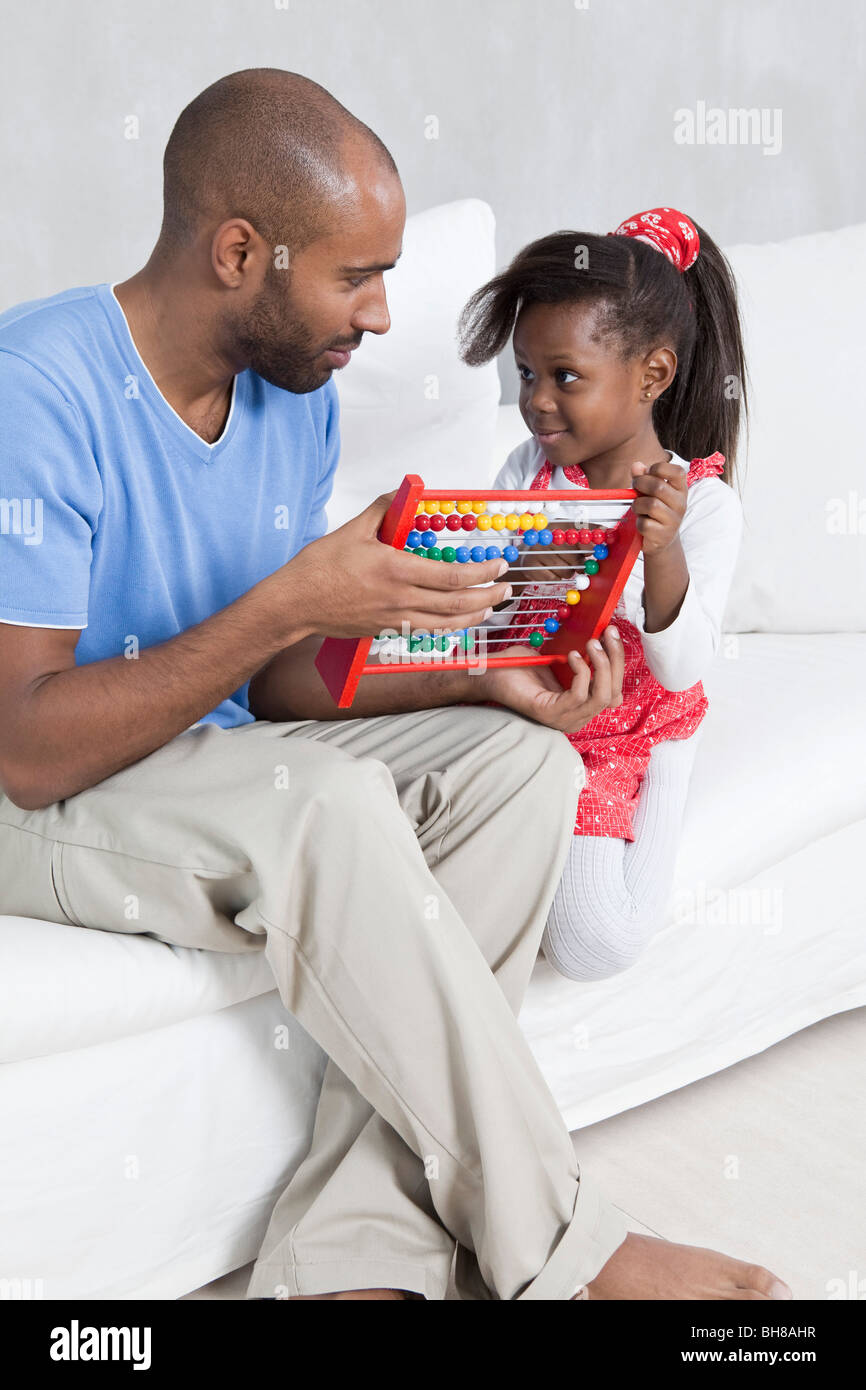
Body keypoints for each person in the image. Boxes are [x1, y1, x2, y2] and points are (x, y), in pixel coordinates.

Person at [0, 69, 790, 1301]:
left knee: (523, 771)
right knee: (326, 807)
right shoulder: (36, 388)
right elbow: (30, 747)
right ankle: (569, 1249)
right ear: (239, 252)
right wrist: (293, 597)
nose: (377, 315)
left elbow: (267, 689)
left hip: (200, 759)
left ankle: (346, 1262)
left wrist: (480, 685)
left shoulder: (289, 395)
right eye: (354, 276)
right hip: (46, 790)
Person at [460, 209, 744, 982]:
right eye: (525, 374)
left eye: (565, 377)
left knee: (593, 943)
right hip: (528, 701)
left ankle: (674, 755)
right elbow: (490, 614)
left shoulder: (706, 507)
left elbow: (684, 666)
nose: (536, 402)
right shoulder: (529, 470)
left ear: (653, 375)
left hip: (626, 724)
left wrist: (663, 549)